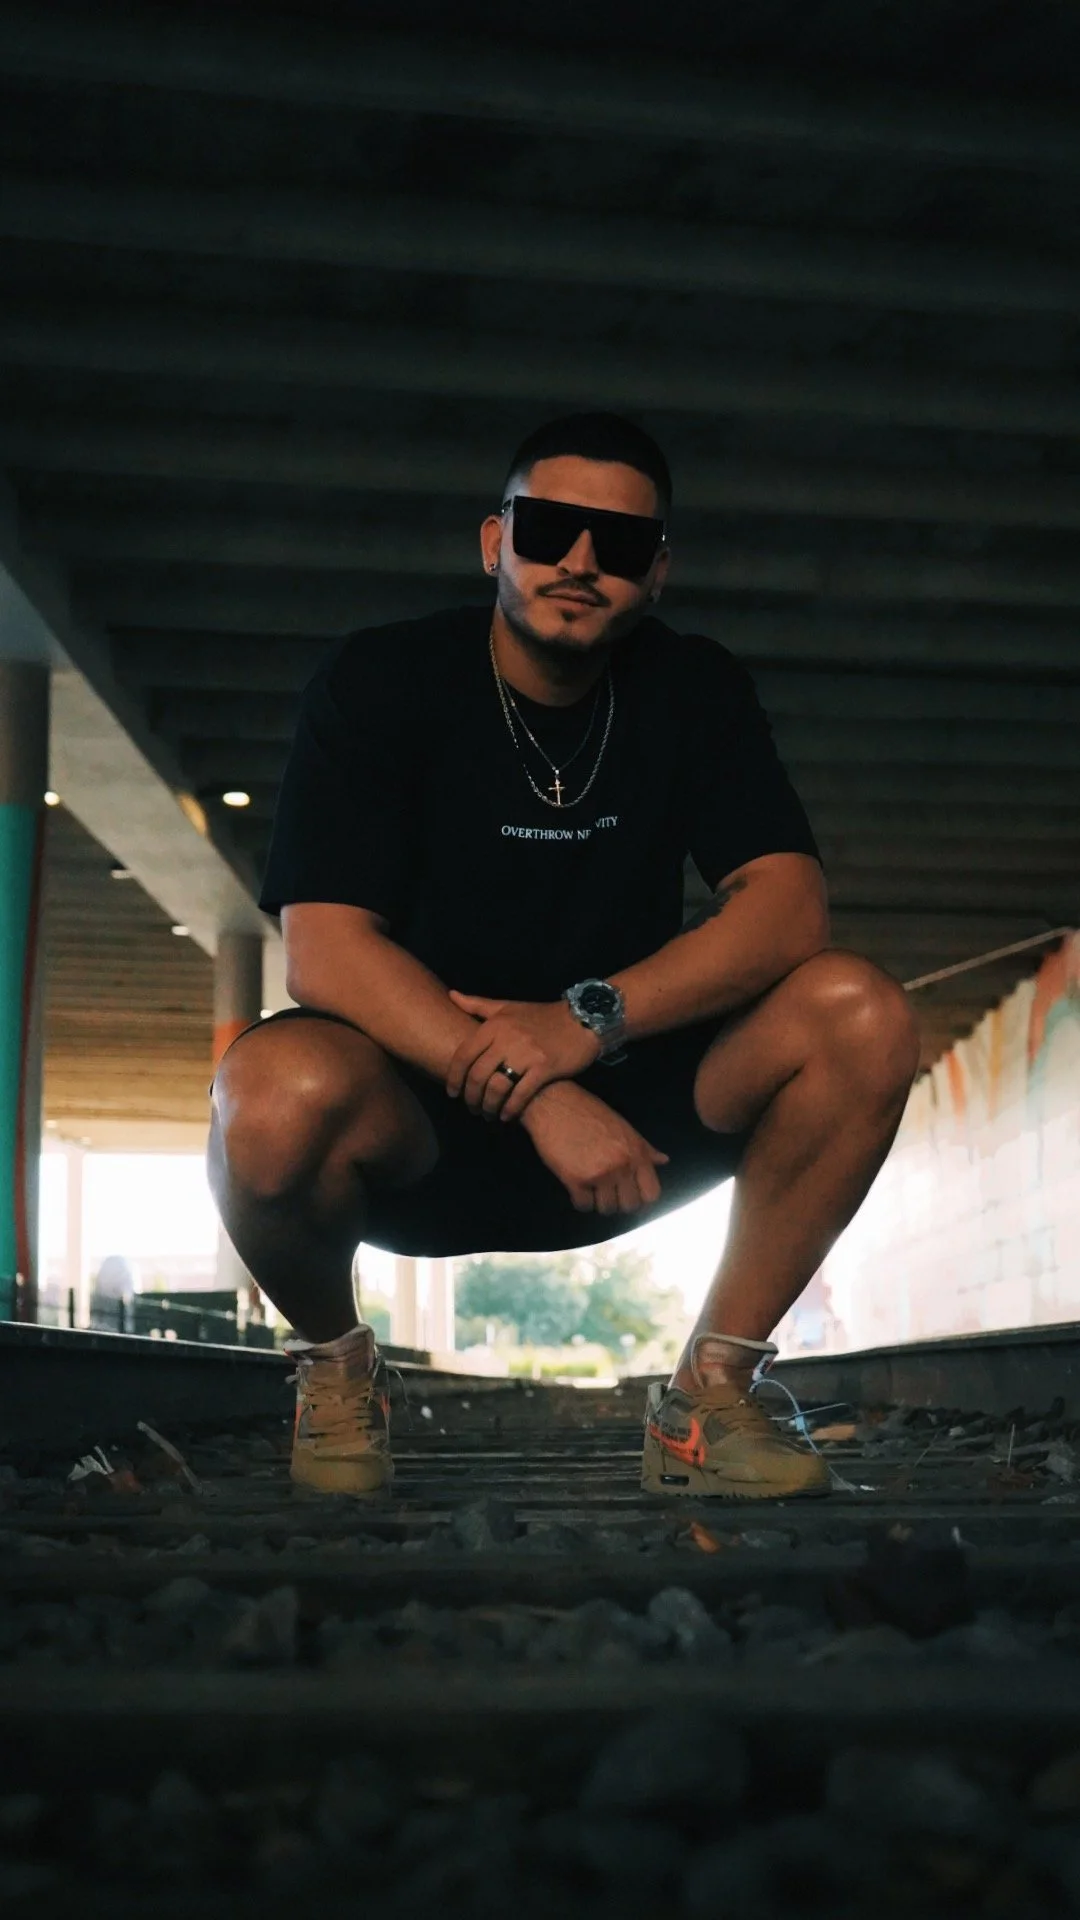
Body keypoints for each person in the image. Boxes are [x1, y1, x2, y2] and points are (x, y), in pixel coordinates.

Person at [208, 412, 920, 1499]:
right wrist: (537, 1087)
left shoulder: (694, 688)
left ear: (658, 573)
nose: (581, 562)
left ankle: (711, 1394)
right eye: (550, 530)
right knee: (265, 1091)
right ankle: (338, 1371)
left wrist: (583, 1024)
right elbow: (327, 951)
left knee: (859, 1013)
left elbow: (786, 909)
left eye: (621, 545)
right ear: (494, 541)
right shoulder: (382, 680)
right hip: (413, 1129)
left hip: (635, 1110)